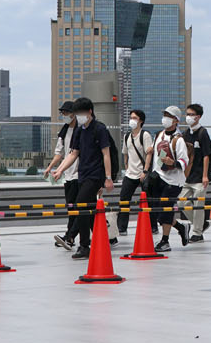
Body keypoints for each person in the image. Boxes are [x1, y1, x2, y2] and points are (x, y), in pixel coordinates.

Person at [49, 97, 113, 259]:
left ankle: (84, 245)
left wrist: (108, 177)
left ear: (90, 112)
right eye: (76, 114)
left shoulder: (100, 129)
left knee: (80, 205)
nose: (78, 116)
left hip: (96, 175)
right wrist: (60, 170)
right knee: (89, 211)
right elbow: (73, 154)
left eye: (81, 113)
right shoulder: (79, 130)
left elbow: (106, 154)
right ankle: (102, 239)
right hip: (82, 174)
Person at [150, 110, 190, 251]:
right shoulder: (159, 135)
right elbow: (157, 156)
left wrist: (172, 163)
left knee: (165, 212)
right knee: (158, 211)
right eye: (165, 116)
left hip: (174, 181)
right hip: (159, 177)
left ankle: (165, 241)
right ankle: (181, 227)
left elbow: (184, 161)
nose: (165, 119)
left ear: (176, 121)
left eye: (169, 117)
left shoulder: (178, 140)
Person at [45, 101, 80, 251]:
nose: (64, 115)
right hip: (68, 174)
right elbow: (59, 153)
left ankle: (70, 236)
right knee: (72, 207)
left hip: (81, 174)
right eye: (63, 113)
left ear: (74, 114)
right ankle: (107, 235)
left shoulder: (81, 130)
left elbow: (74, 154)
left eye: (66, 113)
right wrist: (50, 167)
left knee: (79, 207)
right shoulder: (64, 131)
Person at [116, 109, 153, 237]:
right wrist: (126, 167)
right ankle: (122, 227)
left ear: (141, 121)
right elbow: (125, 153)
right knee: (124, 199)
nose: (132, 120)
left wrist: (145, 171)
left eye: (135, 118)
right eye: (131, 117)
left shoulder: (145, 135)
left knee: (148, 200)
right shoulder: (127, 136)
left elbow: (149, 154)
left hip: (143, 173)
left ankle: (152, 226)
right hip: (130, 174)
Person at [179, 103, 211, 240]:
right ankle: (200, 224)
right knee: (181, 202)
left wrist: (205, 175)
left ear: (198, 117)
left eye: (191, 114)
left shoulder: (202, 132)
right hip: (187, 176)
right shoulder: (186, 133)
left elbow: (207, 155)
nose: (188, 117)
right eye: (187, 114)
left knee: (199, 204)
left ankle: (197, 233)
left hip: (200, 176)